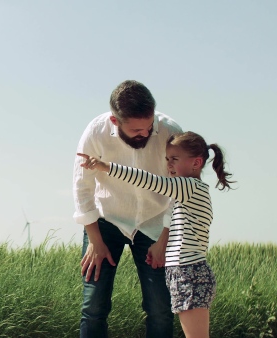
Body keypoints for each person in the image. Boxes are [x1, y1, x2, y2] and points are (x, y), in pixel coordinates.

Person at [77, 130, 235, 338]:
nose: (169, 165)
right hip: (185, 272)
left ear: (196, 163)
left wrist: (106, 167)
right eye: (167, 159)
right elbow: (171, 216)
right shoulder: (189, 193)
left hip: (189, 273)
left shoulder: (188, 187)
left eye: (175, 159)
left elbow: (147, 180)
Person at [73, 80, 182, 338]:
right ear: (115, 121)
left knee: (160, 308)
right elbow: (82, 188)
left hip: (155, 223)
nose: (145, 134)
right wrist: (95, 241)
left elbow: (180, 190)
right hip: (105, 221)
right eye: (136, 130)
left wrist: (164, 240)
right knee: (93, 307)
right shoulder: (94, 132)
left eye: (149, 127)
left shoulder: (171, 131)